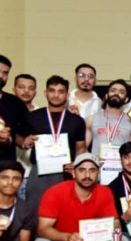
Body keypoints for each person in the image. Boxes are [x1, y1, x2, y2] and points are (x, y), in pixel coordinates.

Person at [33, 153, 129, 241]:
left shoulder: (104, 192)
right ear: (73, 172)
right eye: (82, 170)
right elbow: (42, 229)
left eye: (92, 170)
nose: (87, 175)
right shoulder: (55, 192)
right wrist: (66, 237)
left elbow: (115, 223)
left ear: (98, 173)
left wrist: (110, 231)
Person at [17, 75, 86, 211]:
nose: (56, 95)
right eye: (52, 90)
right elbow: (18, 137)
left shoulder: (76, 121)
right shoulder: (32, 117)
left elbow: (81, 148)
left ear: (67, 94)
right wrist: (24, 142)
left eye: (61, 91)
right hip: (39, 172)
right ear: (45, 93)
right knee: (36, 211)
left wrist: (77, 164)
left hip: (66, 173)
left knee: (65, 212)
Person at [85, 79, 131, 159]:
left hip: (122, 168)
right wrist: (92, 159)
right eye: (113, 91)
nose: (116, 93)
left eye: (121, 92)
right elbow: (82, 148)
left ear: (126, 99)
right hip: (96, 168)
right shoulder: (91, 119)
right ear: (106, 95)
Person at [0, 55, 29, 162]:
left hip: (6, 167)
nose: (1, 76)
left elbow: (21, 135)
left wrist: (8, 140)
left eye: (5, 73)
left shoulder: (15, 103)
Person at [12, 74, 37, 199]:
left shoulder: (41, 113)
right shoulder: (6, 111)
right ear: (14, 89)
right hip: (8, 174)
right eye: (21, 87)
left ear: (36, 92)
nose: (26, 91)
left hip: (33, 174)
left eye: (31, 88)